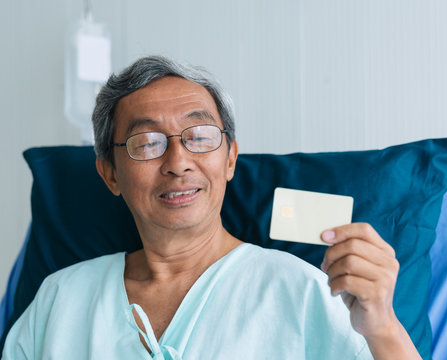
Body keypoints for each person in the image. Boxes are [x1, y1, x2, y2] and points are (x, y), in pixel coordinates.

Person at [2, 56, 420, 359]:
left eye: (199, 136)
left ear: (231, 158)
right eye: (147, 143)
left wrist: (383, 326)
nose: (178, 162)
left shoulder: (307, 292)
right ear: (110, 174)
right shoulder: (61, 300)